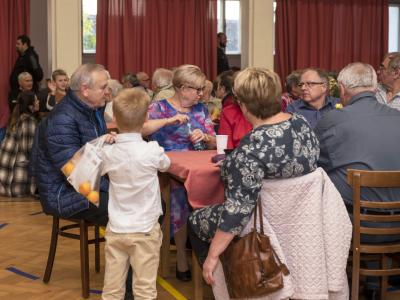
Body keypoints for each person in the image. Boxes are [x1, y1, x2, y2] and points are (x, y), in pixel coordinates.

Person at [188, 67, 320, 285]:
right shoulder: (301, 124)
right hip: (301, 219)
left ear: (243, 104)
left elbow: (238, 210)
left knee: (195, 220)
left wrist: (212, 256)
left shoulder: (252, 147)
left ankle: (227, 282)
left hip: (261, 223)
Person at [145, 64, 216, 281]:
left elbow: (215, 141)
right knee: (179, 194)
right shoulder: (159, 108)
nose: (201, 94)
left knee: (216, 187)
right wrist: (168, 121)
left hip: (197, 166)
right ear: (183, 88)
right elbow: (140, 129)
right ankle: (184, 261)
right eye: (197, 89)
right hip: (167, 171)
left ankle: (209, 254)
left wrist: (204, 137)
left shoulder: (200, 110)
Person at [101, 88, 170, 299]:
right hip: (145, 229)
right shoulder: (152, 150)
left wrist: (107, 141)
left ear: (114, 120)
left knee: (112, 288)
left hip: (116, 228)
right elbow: (166, 165)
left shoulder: (108, 152)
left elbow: (94, 167)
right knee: (144, 289)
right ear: (146, 118)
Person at [315, 62, 400, 212]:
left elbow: (313, 163)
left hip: (351, 222)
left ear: (341, 88)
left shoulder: (332, 120)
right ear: (374, 88)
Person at [33, 63, 110, 225]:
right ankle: (127, 250)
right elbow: (75, 172)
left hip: (87, 185)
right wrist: (114, 186)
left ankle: (129, 249)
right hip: (65, 193)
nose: (107, 92)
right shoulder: (62, 119)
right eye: (103, 88)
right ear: (85, 90)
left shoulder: (92, 110)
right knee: (132, 208)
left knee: (148, 203)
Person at [0, 91, 39, 197]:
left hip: (4, 178)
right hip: (16, 181)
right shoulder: (28, 120)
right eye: (36, 100)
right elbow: (29, 148)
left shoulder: (16, 117)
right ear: (30, 105)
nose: (38, 102)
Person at [9, 35, 43, 111]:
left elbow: (39, 75)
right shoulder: (22, 56)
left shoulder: (31, 56)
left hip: (27, 95)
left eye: (18, 44)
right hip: (19, 93)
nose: (16, 46)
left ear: (25, 44)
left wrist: (28, 81)